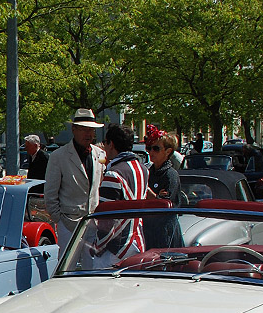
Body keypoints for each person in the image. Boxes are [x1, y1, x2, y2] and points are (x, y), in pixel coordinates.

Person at [43, 107, 106, 245]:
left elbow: (100, 183)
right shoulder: (58, 156)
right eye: (83, 129)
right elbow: (50, 192)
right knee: (68, 265)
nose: (88, 134)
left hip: (93, 223)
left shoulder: (100, 154)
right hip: (68, 224)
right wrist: (58, 218)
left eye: (91, 130)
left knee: (90, 265)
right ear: (74, 129)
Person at [89, 124, 148, 269]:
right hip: (138, 242)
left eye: (105, 142)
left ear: (111, 144)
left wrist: (98, 247)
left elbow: (107, 220)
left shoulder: (113, 175)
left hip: (116, 248)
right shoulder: (143, 169)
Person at [143, 126, 185, 248]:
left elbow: (167, 204)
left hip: (164, 231)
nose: (151, 152)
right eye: (149, 148)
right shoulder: (148, 172)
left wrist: (152, 196)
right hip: (148, 229)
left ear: (168, 151)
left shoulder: (170, 175)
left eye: (156, 149)